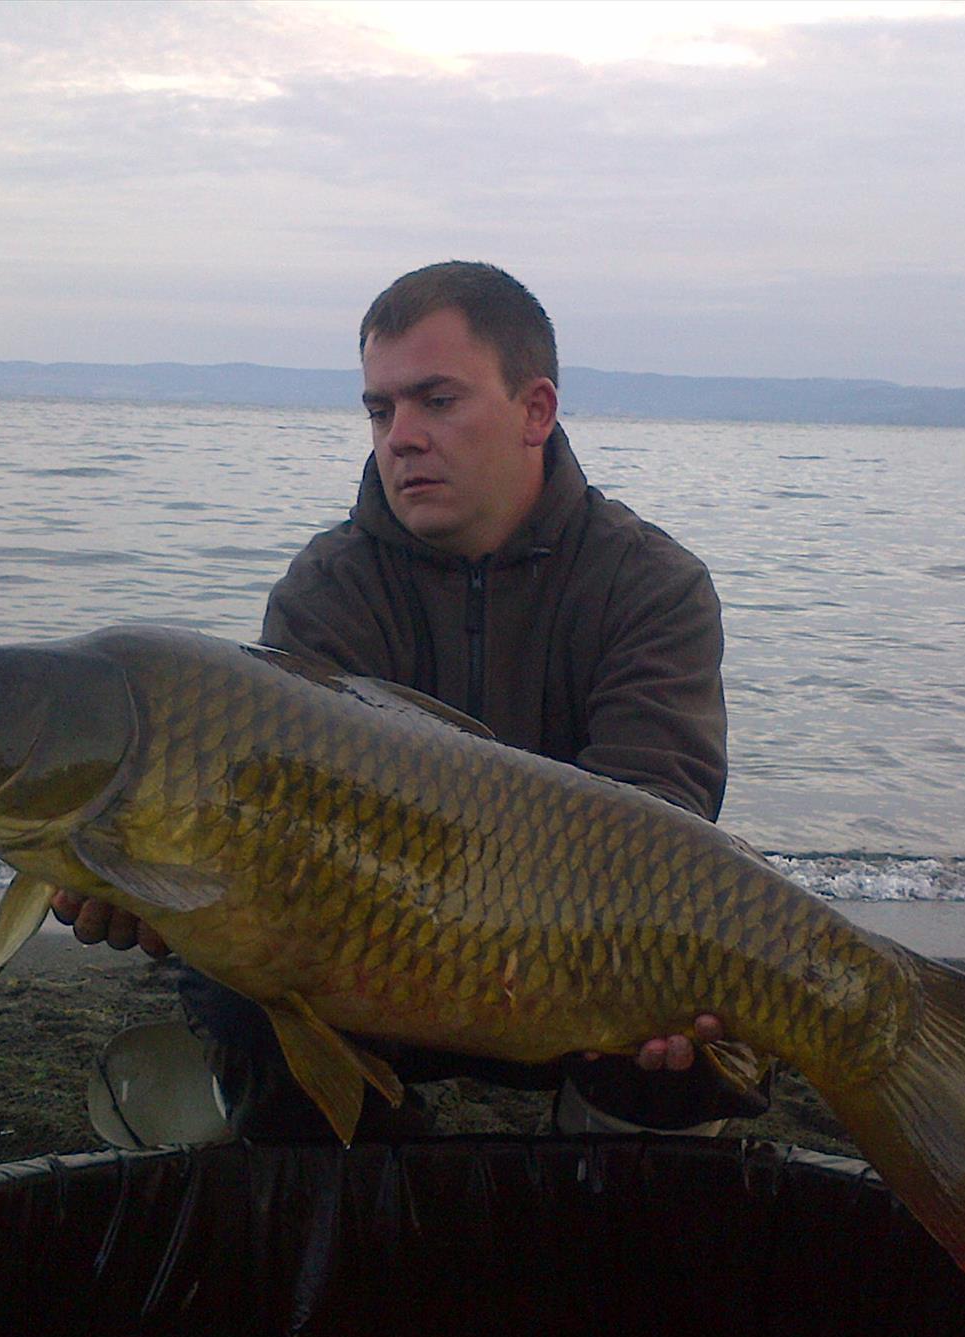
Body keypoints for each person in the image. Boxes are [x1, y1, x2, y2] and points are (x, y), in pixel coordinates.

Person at [55, 261, 766, 1137]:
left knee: (692, 1034)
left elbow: (662, 823)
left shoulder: (652, 584)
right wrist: (149, 883)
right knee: (231, 983)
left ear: (535, 411)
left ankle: (603, 1164)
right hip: (382, 966)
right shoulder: (328, 589)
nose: (400, 437)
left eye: (437, 401)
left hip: (575, 979)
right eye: (381, 409)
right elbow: (275, 825)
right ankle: (360, 1174)